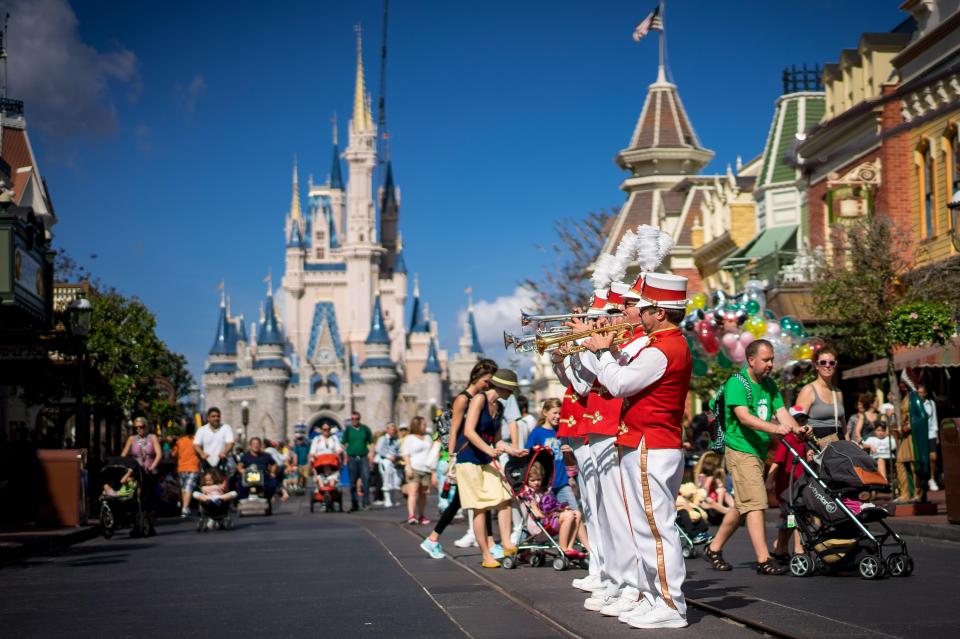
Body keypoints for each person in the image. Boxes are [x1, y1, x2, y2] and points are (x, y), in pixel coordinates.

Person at [583, 271, 695, 629]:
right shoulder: (660, 344)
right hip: (645, 441)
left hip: (652, 443)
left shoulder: (664, 349)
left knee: (655, 528)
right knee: (646, 526)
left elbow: (619, 384)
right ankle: (652, 595)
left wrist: (602, 352)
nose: (638, 315)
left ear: (660, 312)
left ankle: (671, 604)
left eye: (644, 309)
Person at [703, 339, 807, 576]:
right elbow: (744, 417)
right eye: (766, 359)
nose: (771, 364)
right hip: (740, 449)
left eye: (772, 359)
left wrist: (798, 431)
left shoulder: (770, 385)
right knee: (756, 501)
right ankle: (763, 559)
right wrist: (775, 429)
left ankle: (714, 547)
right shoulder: (737, 383)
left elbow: (782, 413)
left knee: (743, 503)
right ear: (751, 360)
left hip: (758, 451)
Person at [420, 358, 499, 560]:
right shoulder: (464, 399)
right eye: (487, 380)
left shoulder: (480, 399)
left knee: (464, 501)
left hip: (476, 454)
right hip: (464, 454)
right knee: (479, 501)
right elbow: (455, 429)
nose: (488, 385)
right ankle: (488, 544)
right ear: (476, 377)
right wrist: (452, 458)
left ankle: (433, 539)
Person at [456, 368, 527, 568]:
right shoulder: (479, 399)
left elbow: (497, 441)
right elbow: (469, 431)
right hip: (469, 458)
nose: (512, 393)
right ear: (502, 387)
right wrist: (488, 449)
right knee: (480, 507)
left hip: (486, 458)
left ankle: (505, 542)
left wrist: (512, 450)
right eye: (510, 389)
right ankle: (486, 555)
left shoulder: (500, 407)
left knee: (504, 496)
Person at [767, 406, 812, 563]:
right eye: (797, 420)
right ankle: (796, 548)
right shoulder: (788, 440)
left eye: (803, 420)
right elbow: (777, 462)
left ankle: (781, 547)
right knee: (792, 517)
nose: (801, 423)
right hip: (787, 487)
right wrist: (769, 480)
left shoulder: (805, 440)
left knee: (791, 517)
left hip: (800, 485)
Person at [520, 460, 589, 556]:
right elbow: (538, 514)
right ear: (527, 479)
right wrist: (556, 513)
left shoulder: (543, 491)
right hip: (538, 527)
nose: (536, 483)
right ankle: (563, 549)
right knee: (568, 516)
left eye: (539, 480)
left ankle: (577, 547)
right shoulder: (528, 493)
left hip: (548, 521)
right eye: (533, 480)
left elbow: (553, 506)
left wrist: (562, 509)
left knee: (577, 513)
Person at [525, 399, 578, 510]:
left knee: (575, 513)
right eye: (555, 413)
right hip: (544, 487)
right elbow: (528, 456)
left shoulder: (562, 432)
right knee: (553, 520)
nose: (558, 416)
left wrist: (571, 476)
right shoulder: (537, 433)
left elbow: (569, 457)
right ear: (545, 412)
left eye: (560, 413)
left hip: (563, 483)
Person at [121, 416, 162, 535]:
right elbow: (123, 455)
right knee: (134, 498)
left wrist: (152, 466)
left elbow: (159, 454)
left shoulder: (152, 437)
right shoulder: (132, 439)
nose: (139, 429)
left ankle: (149, 523)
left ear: (146, 426)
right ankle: (136, 524)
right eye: (136, 428)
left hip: (149, 473)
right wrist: (127, 466)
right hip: (136, 473)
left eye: (141, 427)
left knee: (149, 500)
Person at [796, 345, 845, 444]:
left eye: (831, 363)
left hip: (839, 445)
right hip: (816, 446)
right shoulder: (808, 390)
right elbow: (798, 423)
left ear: (835, 365)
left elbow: (843, 424)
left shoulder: (838, 393)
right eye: (823, 362)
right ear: (816, 365)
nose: (827, 366)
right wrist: (807, 448)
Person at [401, 416, 435, 525]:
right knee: (413, 492)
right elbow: (405, 454)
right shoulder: (409, 438)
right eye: (423, 424)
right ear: (417, 425)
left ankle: (421, 515)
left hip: (426, 469)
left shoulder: (428, 437)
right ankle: (411, 515)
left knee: (423, 494)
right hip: (414, 468)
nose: (425, 426)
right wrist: (408, 467)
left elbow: (433, 452)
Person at [342, 411, 374, 511]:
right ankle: (354, 503)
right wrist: (345, 456)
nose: (355, 421)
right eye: (353, 419)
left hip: (363, 457)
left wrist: (371, 455)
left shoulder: (365, 429)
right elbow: (343, 444)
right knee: (352, 482)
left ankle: (366, 503)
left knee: (366, 479)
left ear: (360, 419)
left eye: (357, 419)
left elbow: (371, 443)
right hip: (352, 458)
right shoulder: (348, 430)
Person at [172, 422, 201, 518]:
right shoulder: (196, 441)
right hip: (193, 467)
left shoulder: (180, 441)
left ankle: (184, 508)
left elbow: (173, 454)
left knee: (185, 488)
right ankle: (185, 507)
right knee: (187, 488)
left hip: (181, 468)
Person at [194, 407, 235, 472]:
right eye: (213, 416)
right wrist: (202, 454)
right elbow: (196, 445)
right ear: (208, 418)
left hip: (222, 462)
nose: (216, 418)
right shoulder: (201, 430)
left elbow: (230, 443)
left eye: (218, 416)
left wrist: (224, 452)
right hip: (207, 463)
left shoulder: (226, 428)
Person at [918, 384, 940, 491]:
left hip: (930, 432)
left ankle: (932, 478)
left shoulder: (931, 403)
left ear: (926, 393)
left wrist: (936, 434)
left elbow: (934, 419)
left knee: (933, 456)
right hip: (919, 434)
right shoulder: (915, 404)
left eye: (922, 392)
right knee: (922, 458)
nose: (921, 394)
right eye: (919, 392)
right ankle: (923, 480)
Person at [375, 423, 402, 508]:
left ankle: (393, 499)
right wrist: (388, 456)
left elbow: (398, 451)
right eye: (391, 429)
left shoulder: (395, 440)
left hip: (394, 463)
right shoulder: (382, 439)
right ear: (387, 429)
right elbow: (379, 450)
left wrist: (397, 456)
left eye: (394, 430)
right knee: (386, 480)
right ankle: (387, 499)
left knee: (395, 480)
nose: (393, 431)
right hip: (384, 461)